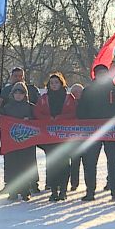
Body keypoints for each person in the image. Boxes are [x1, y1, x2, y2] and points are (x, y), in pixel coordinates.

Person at [76, 66, 115, 201]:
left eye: (104, 73)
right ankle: (90, 191)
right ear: (95, 75)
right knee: (90, 162)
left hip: (111, 132)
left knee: (113, 162)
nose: (102, 75)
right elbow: (81, 112)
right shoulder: (88, 91)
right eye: (99, 74)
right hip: (92, 132)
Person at [0, 67, 41, 193]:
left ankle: (32, 183)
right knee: (11, 160)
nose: (18, 78)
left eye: (20, 76)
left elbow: (38, 109)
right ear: (11, 76)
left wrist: (31, 119)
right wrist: (0, 117)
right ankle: (10, 183)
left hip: (28, 135)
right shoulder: (5, 91)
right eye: (15, 75)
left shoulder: (32, 90)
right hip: (10, 134)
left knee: (29, 160)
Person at [34, 73, 77, 201]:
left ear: (61, 83)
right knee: (52, 164)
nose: (54, 85)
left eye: (56, 82)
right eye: (52, 83)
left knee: (64, 164)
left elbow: (73, 112)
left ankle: (63, 190)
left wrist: (59, 118)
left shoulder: (69, 98)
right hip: (49, 136)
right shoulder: (44, 98)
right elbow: (37, 112)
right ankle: (53, 190)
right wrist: (48, 119)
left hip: (65, 136)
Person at [0, 82, 36, 201]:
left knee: (25, 166)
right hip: (11, 143)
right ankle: (13, 191)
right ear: (12, 94)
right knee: (12, 166)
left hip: (27, 142)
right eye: (16, 92)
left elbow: (38, 122)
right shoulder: (7, 107)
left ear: (25, 94)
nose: (18, 95)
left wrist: (29, 120)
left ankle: (26, 190)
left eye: (21, 92)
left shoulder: (30, 107)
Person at [68, 83, 85, 191]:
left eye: (79, 92)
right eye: (74, 92)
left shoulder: (87, 103)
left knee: (88, 163)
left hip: (86, 136)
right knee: (74, 162)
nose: (77, 94)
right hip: (72, 137)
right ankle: (74, 183)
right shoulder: (68, 104)